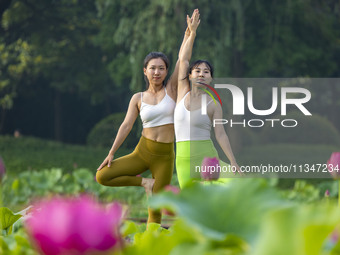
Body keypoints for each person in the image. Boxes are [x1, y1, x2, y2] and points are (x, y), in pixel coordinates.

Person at [96, 10, 198, 225]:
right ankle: (145, 183)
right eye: (152, 68)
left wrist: (190, 33)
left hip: (164, 156)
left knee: (155, 212)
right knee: (102, 176)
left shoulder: (171, 89)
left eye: (161, 68)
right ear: (145, 71)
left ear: (166, 71)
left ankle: (152, 243)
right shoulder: (138, 98)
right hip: (142, 152)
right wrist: (111, 153)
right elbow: (125, 126)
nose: (157, 72)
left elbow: (184, 58)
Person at [174, 11, 241, 188]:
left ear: (210, 78)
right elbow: (183, 59)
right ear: (189, 76)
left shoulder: (213, 105)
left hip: (207, 157)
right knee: (191, 205)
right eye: (197, 71)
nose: (201, 74)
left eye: (206, 72)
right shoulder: (182, 93)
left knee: (238, 184)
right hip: (183, 161)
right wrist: (192, 33)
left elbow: (220, 134)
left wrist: (233, 161)